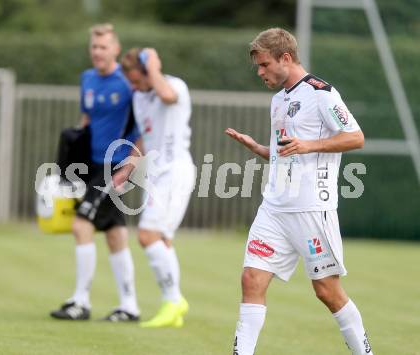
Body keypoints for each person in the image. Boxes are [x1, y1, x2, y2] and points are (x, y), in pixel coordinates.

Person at [226, 28, 373, 354]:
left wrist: (310, 145)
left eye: (264, 65)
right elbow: (287, 151)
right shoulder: (279, 99)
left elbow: (355, 137)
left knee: (326, 290)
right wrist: (261, 149)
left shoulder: (322, 94)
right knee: (251, 279)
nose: (260, 72)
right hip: (274, 208)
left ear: (286, 58)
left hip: (311, 209)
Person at [50, 24, 141, 322]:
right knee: (115, 234)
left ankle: (81, 301)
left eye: (103, 47)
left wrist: (129, 166)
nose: (98, 52)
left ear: (115, 49)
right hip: (89, 166)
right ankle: (129, 306)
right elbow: (87, 117)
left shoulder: (127, 83)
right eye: (94, 47)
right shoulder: (87, 79)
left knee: (81, 225)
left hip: (114, 167)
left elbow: (141, 127)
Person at [113, 47, 195, 328]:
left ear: (150, 71)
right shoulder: (140, 96)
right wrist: (125, 170)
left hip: (175, 172)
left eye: (138, 79)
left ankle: (173, 300)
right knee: (162, 240)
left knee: (147, 235)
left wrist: (154, 67)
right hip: (158, 176)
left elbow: (168, 97)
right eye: (131, 82)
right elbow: (145, 139)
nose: (134, 87)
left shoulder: (173, 86)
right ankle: (173, 309)